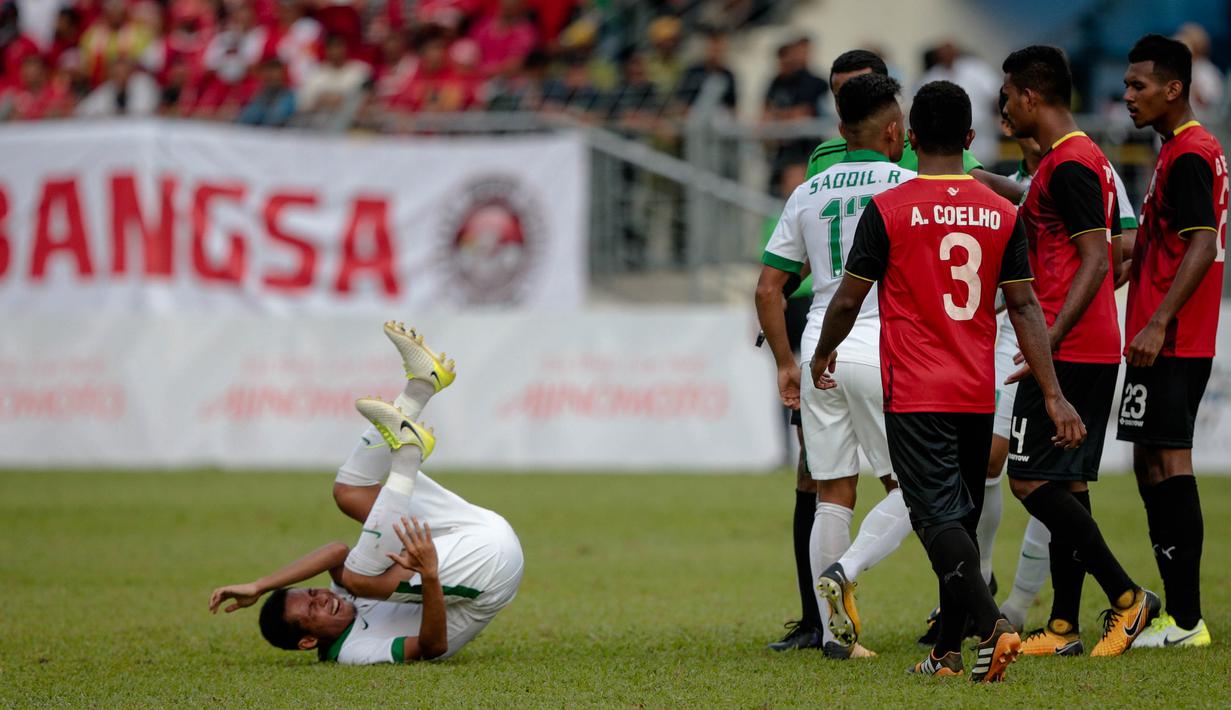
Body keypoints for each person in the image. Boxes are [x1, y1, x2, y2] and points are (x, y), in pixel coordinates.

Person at [810, 80, 1074, 681]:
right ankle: (948, 652)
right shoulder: (1002, 212)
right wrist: (1052, 391)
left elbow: (848, 299)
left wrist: (823, 353)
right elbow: (1025, 306)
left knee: (935, 519)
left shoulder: (889, 208)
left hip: (916, 390)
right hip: (977, 390)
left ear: (910, 138)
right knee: (962, 520)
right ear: (970, 137)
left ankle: (993, 626)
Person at [209, 322, 524, 664]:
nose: (322, 598)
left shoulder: (343, 598)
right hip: (493, 566)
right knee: (359, 578)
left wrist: (260, 585)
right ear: (308, 641)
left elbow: (336, 551)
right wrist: (429, 574)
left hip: (470, 529)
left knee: (349, 492)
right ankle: (407, 455)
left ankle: (422, 384)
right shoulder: (353, 651)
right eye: (313, 609)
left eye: (312, 592)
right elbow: (432, 647)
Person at [1000, 45, 1158, 658]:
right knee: (1065, 484)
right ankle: (1064, 625)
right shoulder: (1077, 159)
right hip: (1084, 342)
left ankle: (1127, 597)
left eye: (1009, 97)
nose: (1005, 109)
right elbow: (1106, 253)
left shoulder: (1069, 164)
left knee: (1027, 479)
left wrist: (1054, 336)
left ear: (1030, 95)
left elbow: (1098, 259)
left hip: (1070, 345)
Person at [756, 72, 915, 659]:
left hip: (820, 344)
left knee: (833, 492)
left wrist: (785, 363)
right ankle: (846, 571)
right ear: (893, 131)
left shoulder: (808, 191)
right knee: (921, 489)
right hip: (884, 347)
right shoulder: (907, 186)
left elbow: (769, 287)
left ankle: (832, 636)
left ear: (842, 129)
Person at [1118, 34, 1226, 649]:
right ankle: (1178, 614)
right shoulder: (1181, 149)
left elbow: (1203, 243)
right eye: (1127, 85)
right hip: (1164, 333)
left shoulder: (1189, 153)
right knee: (1149, 461)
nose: (1129, 96)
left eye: (1140, 86)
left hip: (1173, 337)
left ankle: (1186, 620)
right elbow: (1169, 239)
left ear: (1174, 88)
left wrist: (1158, 321)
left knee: (1168, 461)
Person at [804, 49, 1023, 204]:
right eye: (840, 96)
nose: (849, 103)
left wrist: (1033, 195)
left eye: (861, 91)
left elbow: (984, 184)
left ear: (886, 91)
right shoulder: (823, 156)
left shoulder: (926, 145)